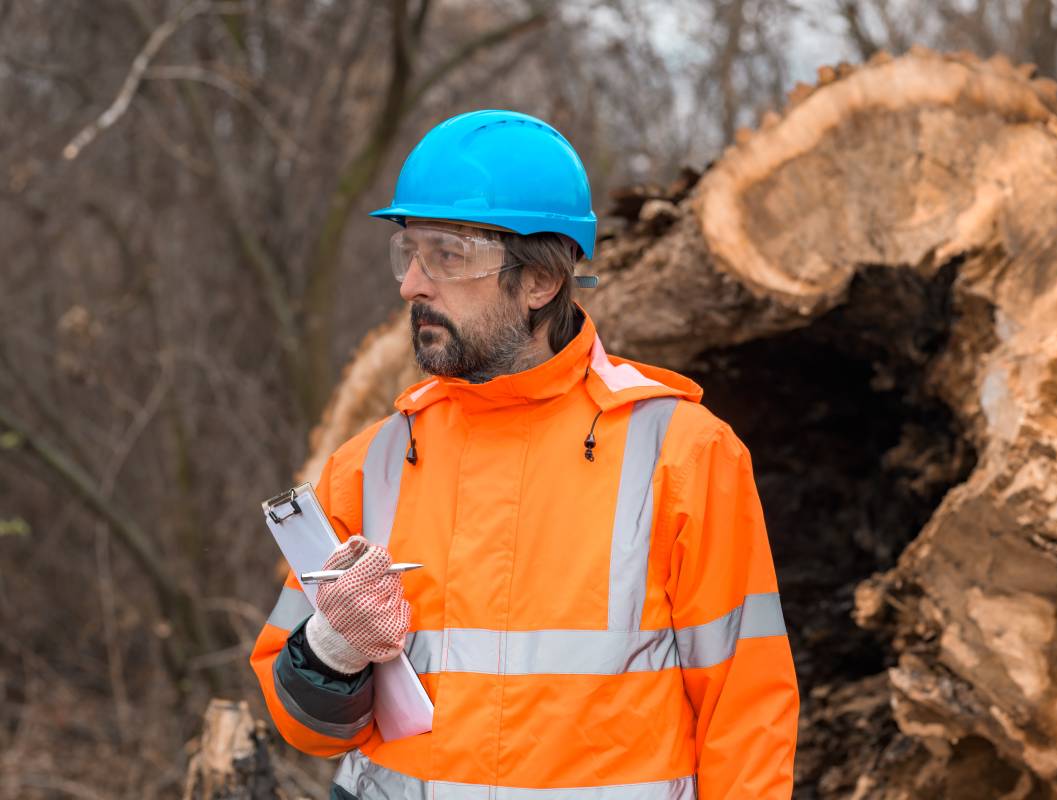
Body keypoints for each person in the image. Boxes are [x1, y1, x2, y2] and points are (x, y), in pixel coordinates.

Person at [250, 109, 799, 799]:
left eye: (447, 255)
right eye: (409, 251)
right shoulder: (371, 466)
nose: (412, 284)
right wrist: (331, 652)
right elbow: (302, 728)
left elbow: (747, 720)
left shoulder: (684, 457)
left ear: (539, 280)